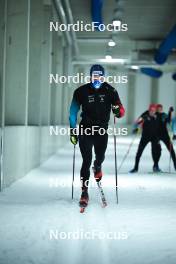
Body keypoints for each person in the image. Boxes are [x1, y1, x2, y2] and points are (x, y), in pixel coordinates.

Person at [69, 64, 125, 207]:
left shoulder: (110, 91)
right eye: (94, 75)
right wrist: (72, 130)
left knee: (99, 158)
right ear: (90, 75)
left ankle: (98, 166)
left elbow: (120, 112)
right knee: (86, 160)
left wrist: (118, 111)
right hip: (85, 130)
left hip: (101, 132)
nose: (97, 78)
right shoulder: (81, 91)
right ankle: (84, 192)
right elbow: (72, 112)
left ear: (103, 76)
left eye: (100, 75)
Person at [130, 104, 161, 173]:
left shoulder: (157, 117)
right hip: (145, 137)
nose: (152, 112)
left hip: (154, 137)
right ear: (149, 110)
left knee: (156, 151)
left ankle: (156, 166)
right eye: (151, 110)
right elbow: (137, 122)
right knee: (139, 152)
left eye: (153, 111)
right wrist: (136, 128)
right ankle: (135, 168)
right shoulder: (145, 116)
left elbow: (160, 127)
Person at [156, 104, 176, 170]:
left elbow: (169, 120)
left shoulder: (164, 115)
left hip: (165, 135)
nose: (160, 109)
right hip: (157, 136)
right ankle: (155, 166)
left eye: (160, 108)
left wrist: (170, 112)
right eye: (158, 108)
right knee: (157, 151)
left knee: (171, 150)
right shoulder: (154, 115)